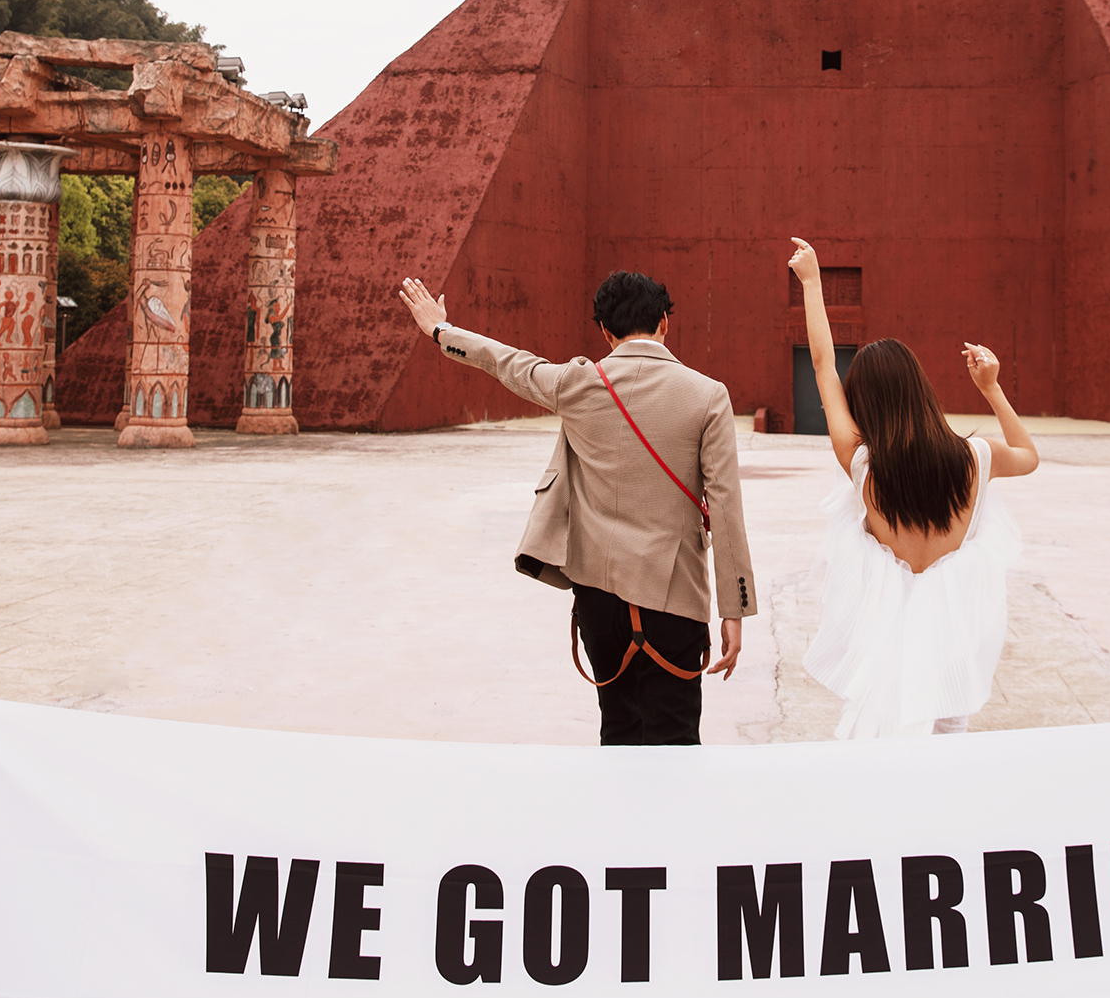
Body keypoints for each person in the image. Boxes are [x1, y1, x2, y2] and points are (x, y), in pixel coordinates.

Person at [397, 269, 755, 746]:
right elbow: (725, 506)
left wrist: (440, 330)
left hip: (598, 601)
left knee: (618, 729)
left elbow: (507, 361)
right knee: (675, 741)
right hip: (673, 599)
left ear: (605, 331)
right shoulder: (707, 395)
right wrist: (734, 607)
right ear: (665, 322)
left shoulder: (575, 383)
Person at [787, 239, 1037, 740]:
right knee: (948, 739)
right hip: (953, 636)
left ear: (865, 402)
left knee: (881, 753)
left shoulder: (863, 465)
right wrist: (991, 388)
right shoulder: (976, 458)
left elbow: (822, 365)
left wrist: (812, 284)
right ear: (921, 390)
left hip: (883, 639)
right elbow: (1028, 455)